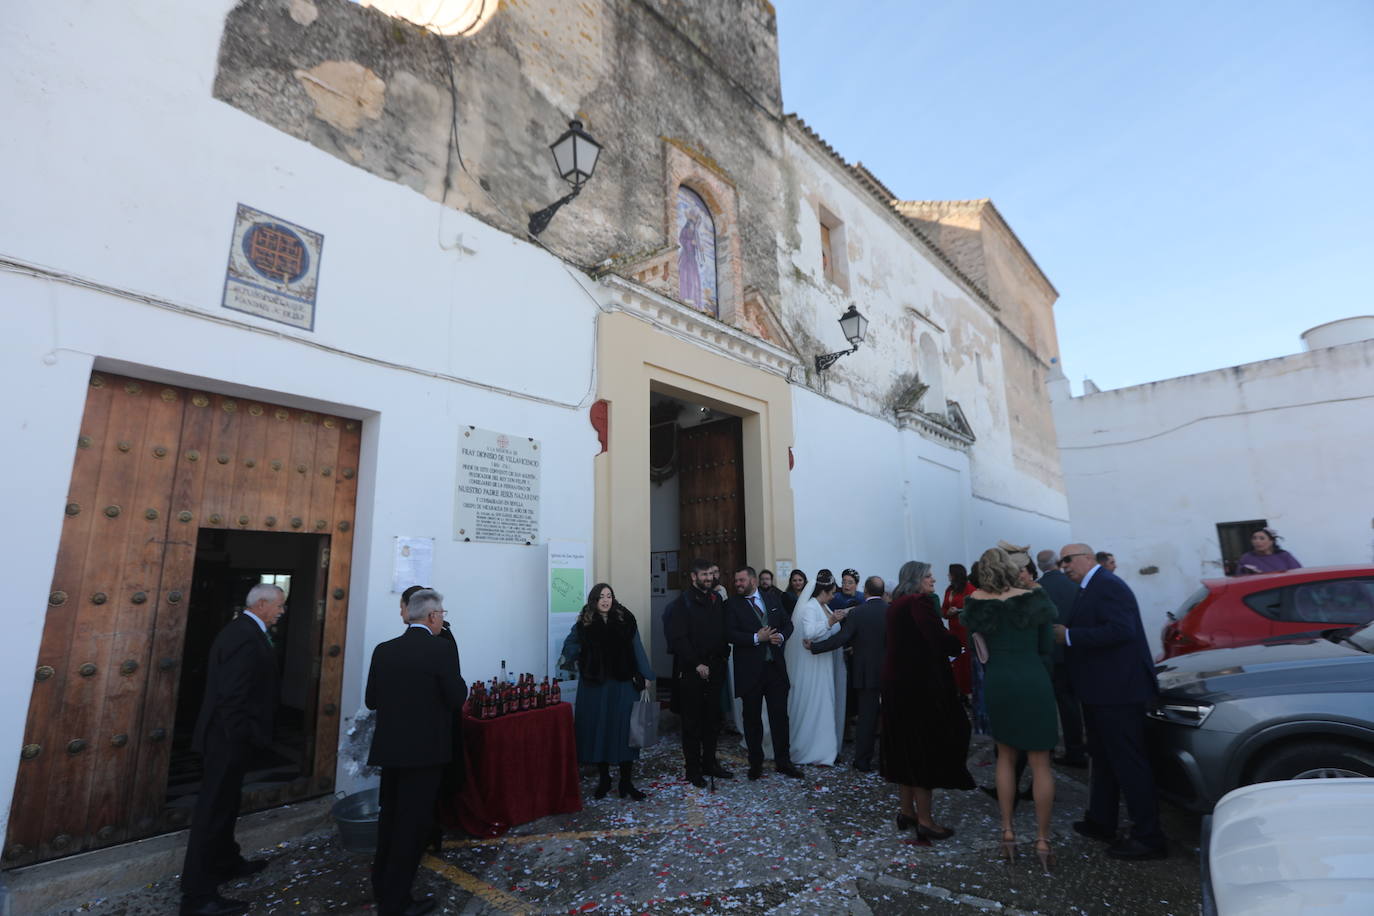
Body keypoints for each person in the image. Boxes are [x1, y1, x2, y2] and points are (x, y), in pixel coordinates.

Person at [1055, 543, 1167, 860]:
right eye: (1061, 560)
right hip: (1100, 691)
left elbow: (1121, 631)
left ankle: (1149, 836)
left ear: (1088, 558)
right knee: (1103, 759)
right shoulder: (1089, 588)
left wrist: (1070, 636)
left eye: (1068, 559)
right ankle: (1101, 821)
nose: (1064, 566)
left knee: (1129, 763)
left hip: (1119, 691)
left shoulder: (1108, 585)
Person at [179, 584, 285, 916]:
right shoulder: (242, 636)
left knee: (227, 804)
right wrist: (243, 736)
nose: (282, 611)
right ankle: (197, 894)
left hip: (231, 738)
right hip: (227, 739)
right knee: (212, 811)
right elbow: (232, 696)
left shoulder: (246, 631)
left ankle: (226, 861)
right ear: (263, 604)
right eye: (280, 606)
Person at [366, 589, 466, 916]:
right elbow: (455, 698)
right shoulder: (440, 650)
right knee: (412, 829)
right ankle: (396, 903)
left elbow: (372, 700)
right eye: (442, 614)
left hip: (391, 752)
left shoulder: (384, 650)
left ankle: (382, 887)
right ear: (433, 617)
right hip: (425, 754)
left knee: (390, 822)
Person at [961, 548, 1061, 870]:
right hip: (1033, 679)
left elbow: (978, 649)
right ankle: (1043, 840)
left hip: (999, 681)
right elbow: (1046, 646)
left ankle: (1007, 834)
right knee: (1041, 762)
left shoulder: (976, 602)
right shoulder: (1035, 597)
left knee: (1005, 756)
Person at [879, 562, 973, 840]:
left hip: (898, 684)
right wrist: (958, 646)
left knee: (905, 747)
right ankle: (926, 820)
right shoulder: (918, 602)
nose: (933, 580)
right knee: (923, 748)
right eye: (928, 576)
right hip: (918, 686)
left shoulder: (896, 604)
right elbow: (934, 636)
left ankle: (906, 811)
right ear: (916, 579)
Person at [560, 584, 655, 800]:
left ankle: (626, 782)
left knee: (625, 731)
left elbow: (637, 646)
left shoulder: (625, 619)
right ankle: (604, 779)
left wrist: (646, 674)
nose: (606, 600)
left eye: (609, 596)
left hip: (622, 684)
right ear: (594, 600)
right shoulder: (584, 622)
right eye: (601, 596)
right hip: (595, 686)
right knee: (599, 730)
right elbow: (570, 647)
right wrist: (577, 660)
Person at [725, 566, 802, 779]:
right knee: (752, 719)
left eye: (741, 580)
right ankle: (755, 763)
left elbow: (788, 624)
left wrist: (782, 637)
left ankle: (783, 762)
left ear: (753, 581)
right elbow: (729, 633)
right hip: (750, 672)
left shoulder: (772, 599)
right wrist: (757, 638)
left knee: (779, 717)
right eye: (736, 581)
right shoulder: (731, 605)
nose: (737, 584)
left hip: (775, 669)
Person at [666, 558, 733, 787]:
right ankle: (693, 769)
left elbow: (722, 631)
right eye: (703, 575)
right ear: (694, 577)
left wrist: (723, 657)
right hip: (693, 672)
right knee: (692, 724)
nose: (708, 578)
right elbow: (679, 639)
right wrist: (696, 664)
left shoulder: (716, 600)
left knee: (712, 721)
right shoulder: (681, 604)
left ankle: (710, 763)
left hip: (715, 669)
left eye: (710, 574)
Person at [810, 575, 887, 771]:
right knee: (888, 718)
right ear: (883, 592)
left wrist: (816, 647)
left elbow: (841, 639)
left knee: (866, 719)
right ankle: (887, 762)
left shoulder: (858, 613)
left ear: (866, 592)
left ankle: (862, 761)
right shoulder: (892, 610)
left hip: (865, 673)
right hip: (889, 672)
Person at [784, 570, 847, 764]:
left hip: (824, 664)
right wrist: (831, 621)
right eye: (832, 592)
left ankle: (826, 749)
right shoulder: (811, 608)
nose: (834, 595)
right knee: (816, 705)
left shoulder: (824, 607)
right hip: (813, 666)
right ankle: (814, 751)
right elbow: (809, 633)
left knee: (825, 704)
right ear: (824, 591)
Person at [1036, 550, 1087, 768]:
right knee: (1071, 705)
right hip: (1071, 649)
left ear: (1039, 567)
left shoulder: (1037, 588)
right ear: (1057, 562)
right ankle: (1076, 749)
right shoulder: (1073, 585)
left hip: (1047, 654)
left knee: (1050, 705)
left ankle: (1047, 750)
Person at [941, 564, 976, 698]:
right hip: (953, 629)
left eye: (950, 573)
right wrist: (947, 612)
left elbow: (974, 608)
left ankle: (969, 690)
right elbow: (943, 610)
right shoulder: (949, 590)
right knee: (957, 659)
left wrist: (959, 610)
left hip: (965, 629)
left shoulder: (969, 588)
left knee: (966, 660)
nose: (948, 576)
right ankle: (960, 689)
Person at [1235, 527, 1302, 575]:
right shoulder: (1246, 558)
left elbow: (1298, 573)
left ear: (1271, 541)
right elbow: (1240, 577)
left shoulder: (1284, 555)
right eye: (1254, 538)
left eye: (1262, 538)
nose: (1257, 541)